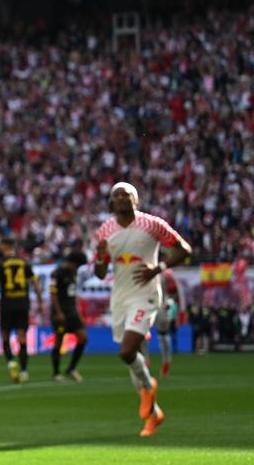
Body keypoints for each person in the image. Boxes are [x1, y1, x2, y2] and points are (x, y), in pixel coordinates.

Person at [94, 181, 192, 438]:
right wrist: (99, 256)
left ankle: (149, 388)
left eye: (127, 194)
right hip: (121, 297)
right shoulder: (104, 230)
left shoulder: (152, 224)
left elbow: (184, 250)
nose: (122, 198)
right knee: (132, 356)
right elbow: (101, 272)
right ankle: (153, 415)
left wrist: (158, 268)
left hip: (146, 294)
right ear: (111, 202)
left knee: (127, 351)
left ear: (135, 200)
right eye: (117, 195)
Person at [0, 237, 42, 383]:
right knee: (22, 337)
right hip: (22, 303)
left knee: (5, 335)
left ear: (5, 246)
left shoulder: (1, 264)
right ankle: (24, 372)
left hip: (7, 304)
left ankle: (11, 362)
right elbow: (36, 283)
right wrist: (40, 302)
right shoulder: (25, 263)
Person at [50, 250, 89, 382]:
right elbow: (53, 294)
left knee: (83, 338)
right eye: (77, 265)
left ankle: (71, 368)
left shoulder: (74, 274)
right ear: (72, 262)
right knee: (59, 341)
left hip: (72, 312)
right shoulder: (57, 274)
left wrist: (78, 312)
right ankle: (56, 373)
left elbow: (73, 295)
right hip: (60, 312)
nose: (77, 268)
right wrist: (58, 312)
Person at [153, 270, 179, 377]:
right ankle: (145, 359)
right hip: (145, 306)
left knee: (162, 335)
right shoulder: (141, 270)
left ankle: (166, 361)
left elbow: (175, 291)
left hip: (160, 307)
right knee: (141, 335)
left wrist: (169, 302)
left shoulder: (165, 274)